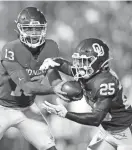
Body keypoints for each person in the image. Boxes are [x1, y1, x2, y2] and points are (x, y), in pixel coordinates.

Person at [41, 38, 132, 150]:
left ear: (99, 62)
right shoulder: (90, 73)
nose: (80, 65)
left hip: (125, 133)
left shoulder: (106, 82)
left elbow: (96, 118)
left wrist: (66, 114)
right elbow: (67, 67)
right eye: (79, 61)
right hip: (106, 130)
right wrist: (52, 62)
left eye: (85, 61)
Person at [0, 6, 64, 150]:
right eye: (29, 28)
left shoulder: (51, 47)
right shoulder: (10, 49)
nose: (34, 33)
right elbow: (26, 85)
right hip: (2, 107)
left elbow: (52, 73)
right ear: (20, 29)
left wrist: (61, 86)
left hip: (27, 107)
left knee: (49, 146)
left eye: (38, 29)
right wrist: (55, 89)